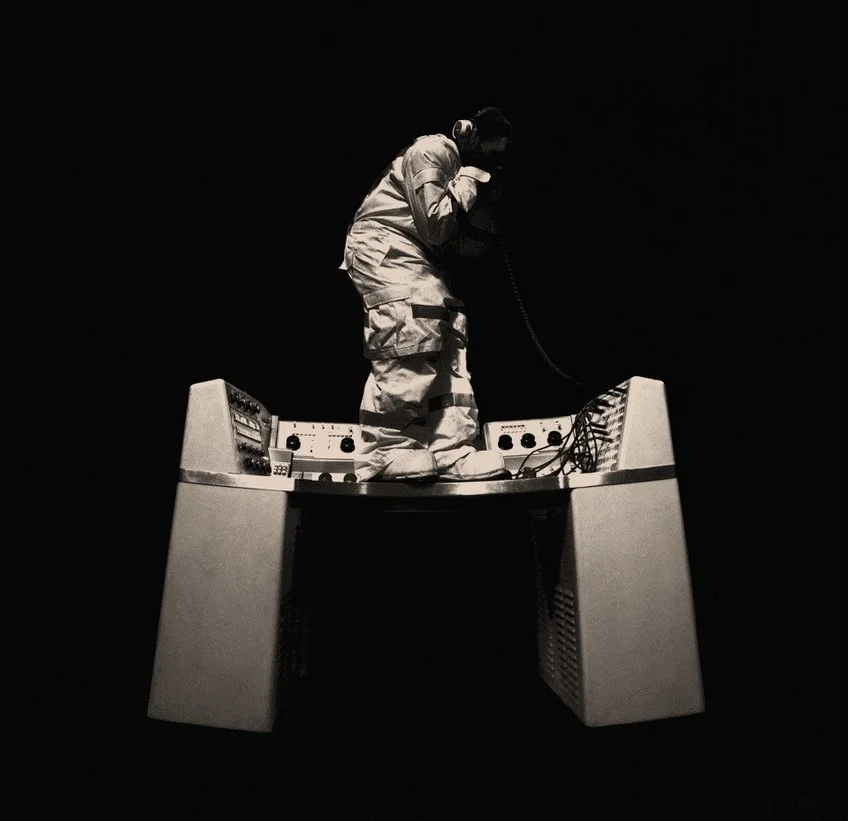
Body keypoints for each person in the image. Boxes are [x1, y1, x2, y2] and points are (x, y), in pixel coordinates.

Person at [339, 106, 515, 482]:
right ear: (468, 134)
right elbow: (436, 224)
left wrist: (489, 203)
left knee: (450, 337)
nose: (493, 162)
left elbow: (467, 248)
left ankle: (450, 449)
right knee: (412, 325)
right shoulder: (431, 151)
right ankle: (384, 450)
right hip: (384, 245)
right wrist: (469, 176)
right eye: (490, 152)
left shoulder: (474, 177)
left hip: (426, 259)